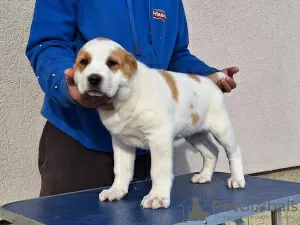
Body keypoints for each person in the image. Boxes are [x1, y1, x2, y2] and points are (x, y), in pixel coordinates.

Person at [25, 0, 239, 197]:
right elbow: (48, 43)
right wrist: (66, 85)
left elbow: (176, 54)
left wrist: (206, 76)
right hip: (80, 141)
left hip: (144, 136)